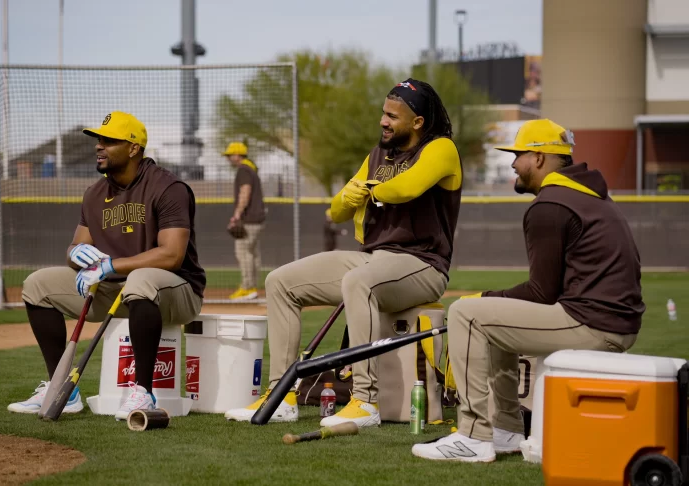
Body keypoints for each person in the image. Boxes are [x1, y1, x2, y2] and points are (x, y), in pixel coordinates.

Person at [225, 78, 463, 427]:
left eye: (393, 116)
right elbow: (336, 210)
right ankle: (282, 396)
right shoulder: (379, 154)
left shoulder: (441, 148)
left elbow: (406, 188)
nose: (383, 121)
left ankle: (365, 402)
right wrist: (352, 195)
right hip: (374, 258)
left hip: (423, 264)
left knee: (358, 281)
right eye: (383, 113)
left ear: (418, 123)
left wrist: (368, 189)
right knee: (280, 281)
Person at [412, 119, 645, 462]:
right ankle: (506, 430)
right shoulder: (591, 194)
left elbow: (541, 293)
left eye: (518, 154)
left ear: (538, 158)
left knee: (465, 312)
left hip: (594, 326)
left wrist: (485, 299)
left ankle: (473, 436)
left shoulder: (551, 204)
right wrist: (493, 302)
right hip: (613, 323)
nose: (512, 163)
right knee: (490, 319)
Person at [7, 111, 206, 421]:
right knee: (37, 285)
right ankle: (63, 389)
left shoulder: (168, 187)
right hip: (115, 291)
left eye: (109, 141)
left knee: (140, 279)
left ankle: (143, 392)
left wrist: (111, 265)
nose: (99, 146)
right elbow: (76, 245)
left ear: (133, 148)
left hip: (176, 293)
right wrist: (76, 254)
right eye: (98, 140)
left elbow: (171, 256)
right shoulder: (95, 193)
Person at [222, 142, 266, 301]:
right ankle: (252, 286)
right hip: (258, 220)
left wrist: (237, 215)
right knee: (253, 254)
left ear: (237, 155)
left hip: (248, 220)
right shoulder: (252, 169)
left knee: (243, 253)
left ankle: (247, 288)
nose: (228, 159)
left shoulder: (243, 170)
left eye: (229, 155)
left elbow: (245, 193)